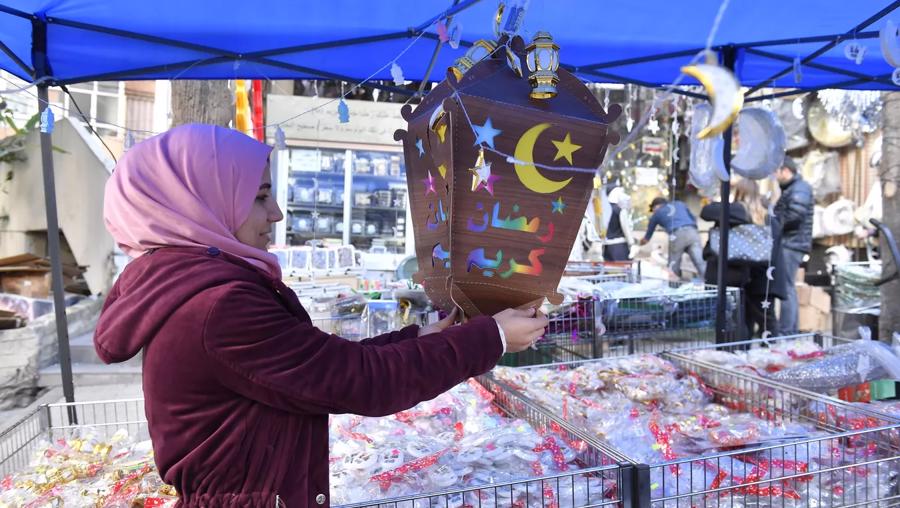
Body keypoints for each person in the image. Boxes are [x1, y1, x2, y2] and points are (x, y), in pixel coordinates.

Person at [94, 124, 549, 507]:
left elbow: (315, 363)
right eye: (259, 197)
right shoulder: (216, 305)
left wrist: (424, 336)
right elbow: (359, 380)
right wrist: (492, 339)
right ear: (200, 201)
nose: (275, 214)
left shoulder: (192, 284)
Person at [773, 157, 814, 335]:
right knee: (788, 287)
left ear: (786, 170)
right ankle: (790, 330)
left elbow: (795, 214)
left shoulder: (800, 188)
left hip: (792, 243)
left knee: (786, 288)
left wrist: (776, 224)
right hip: (792, 242)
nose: (775, 176)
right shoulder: (794, 188)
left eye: (777, 171)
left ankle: (786, 331)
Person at [641, 197, 706, 279]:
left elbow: (646, 238)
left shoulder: (656, 214)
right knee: (700, 262)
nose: (653, 211)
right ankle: (710, 285)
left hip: (677, 234)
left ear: (656, 206)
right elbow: (693, 218)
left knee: (673, 265)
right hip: (693, 232)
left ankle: (674, 288)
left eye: (653, 209)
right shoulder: (679, 204)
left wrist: (637, 244)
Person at [603, 187, 634, 261]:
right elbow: (626, 228)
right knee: (621, 270)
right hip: (620, 246)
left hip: (607, 246)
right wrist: (632, 244)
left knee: (609, 270)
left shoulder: (604, 209)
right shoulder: (620, 210)